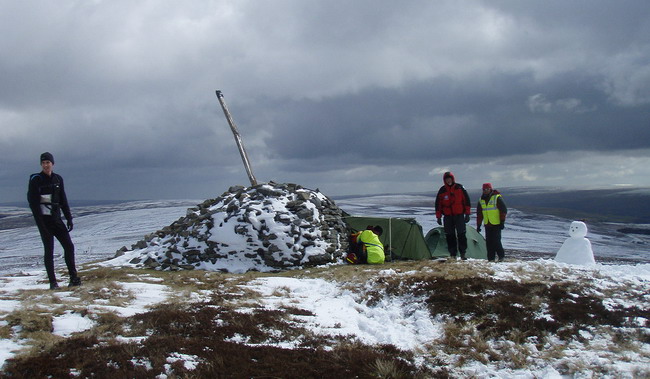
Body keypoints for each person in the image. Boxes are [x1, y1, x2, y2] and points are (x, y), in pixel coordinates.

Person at [27, 152, 81, 289]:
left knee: (69, 246)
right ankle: (53, 283)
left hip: (56, 219)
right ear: (41, 164)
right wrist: (41, 225)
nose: (46, 165)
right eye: (43, 163)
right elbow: (33, 204)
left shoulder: (58, 179)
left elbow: (63, 199)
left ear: (52, 164)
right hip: (44, 221)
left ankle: (73, 278)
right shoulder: (36, 180)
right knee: (49, 250)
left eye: (48, 162)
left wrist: (68, 217)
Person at [435, 172, 471, 260]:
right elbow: (438, 205)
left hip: (459, 215)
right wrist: (438, 217)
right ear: (444, 180)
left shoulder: (460, 188)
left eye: (449, 178)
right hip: (448, 216)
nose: (448, 180)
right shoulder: (442, 190)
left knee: (461, 234)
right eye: (446, 179)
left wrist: (467, 214)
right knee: (450, 236)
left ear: (452, 178)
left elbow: (467, 201)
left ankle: (463, 253)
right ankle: (453, 254)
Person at [476, 183, 507, 262]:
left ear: (490, 189)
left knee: (496, 241)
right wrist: (478, 225)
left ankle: (501, 257)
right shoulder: (481, 200)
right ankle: (491, 259)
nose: (485, 191)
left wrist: (502, 221)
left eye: (487, 189)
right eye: (484, 189)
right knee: (489, 242)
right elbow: (479, 214)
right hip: (487, 224)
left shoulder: (496, 198)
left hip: (496, 223)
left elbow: (503, 210)